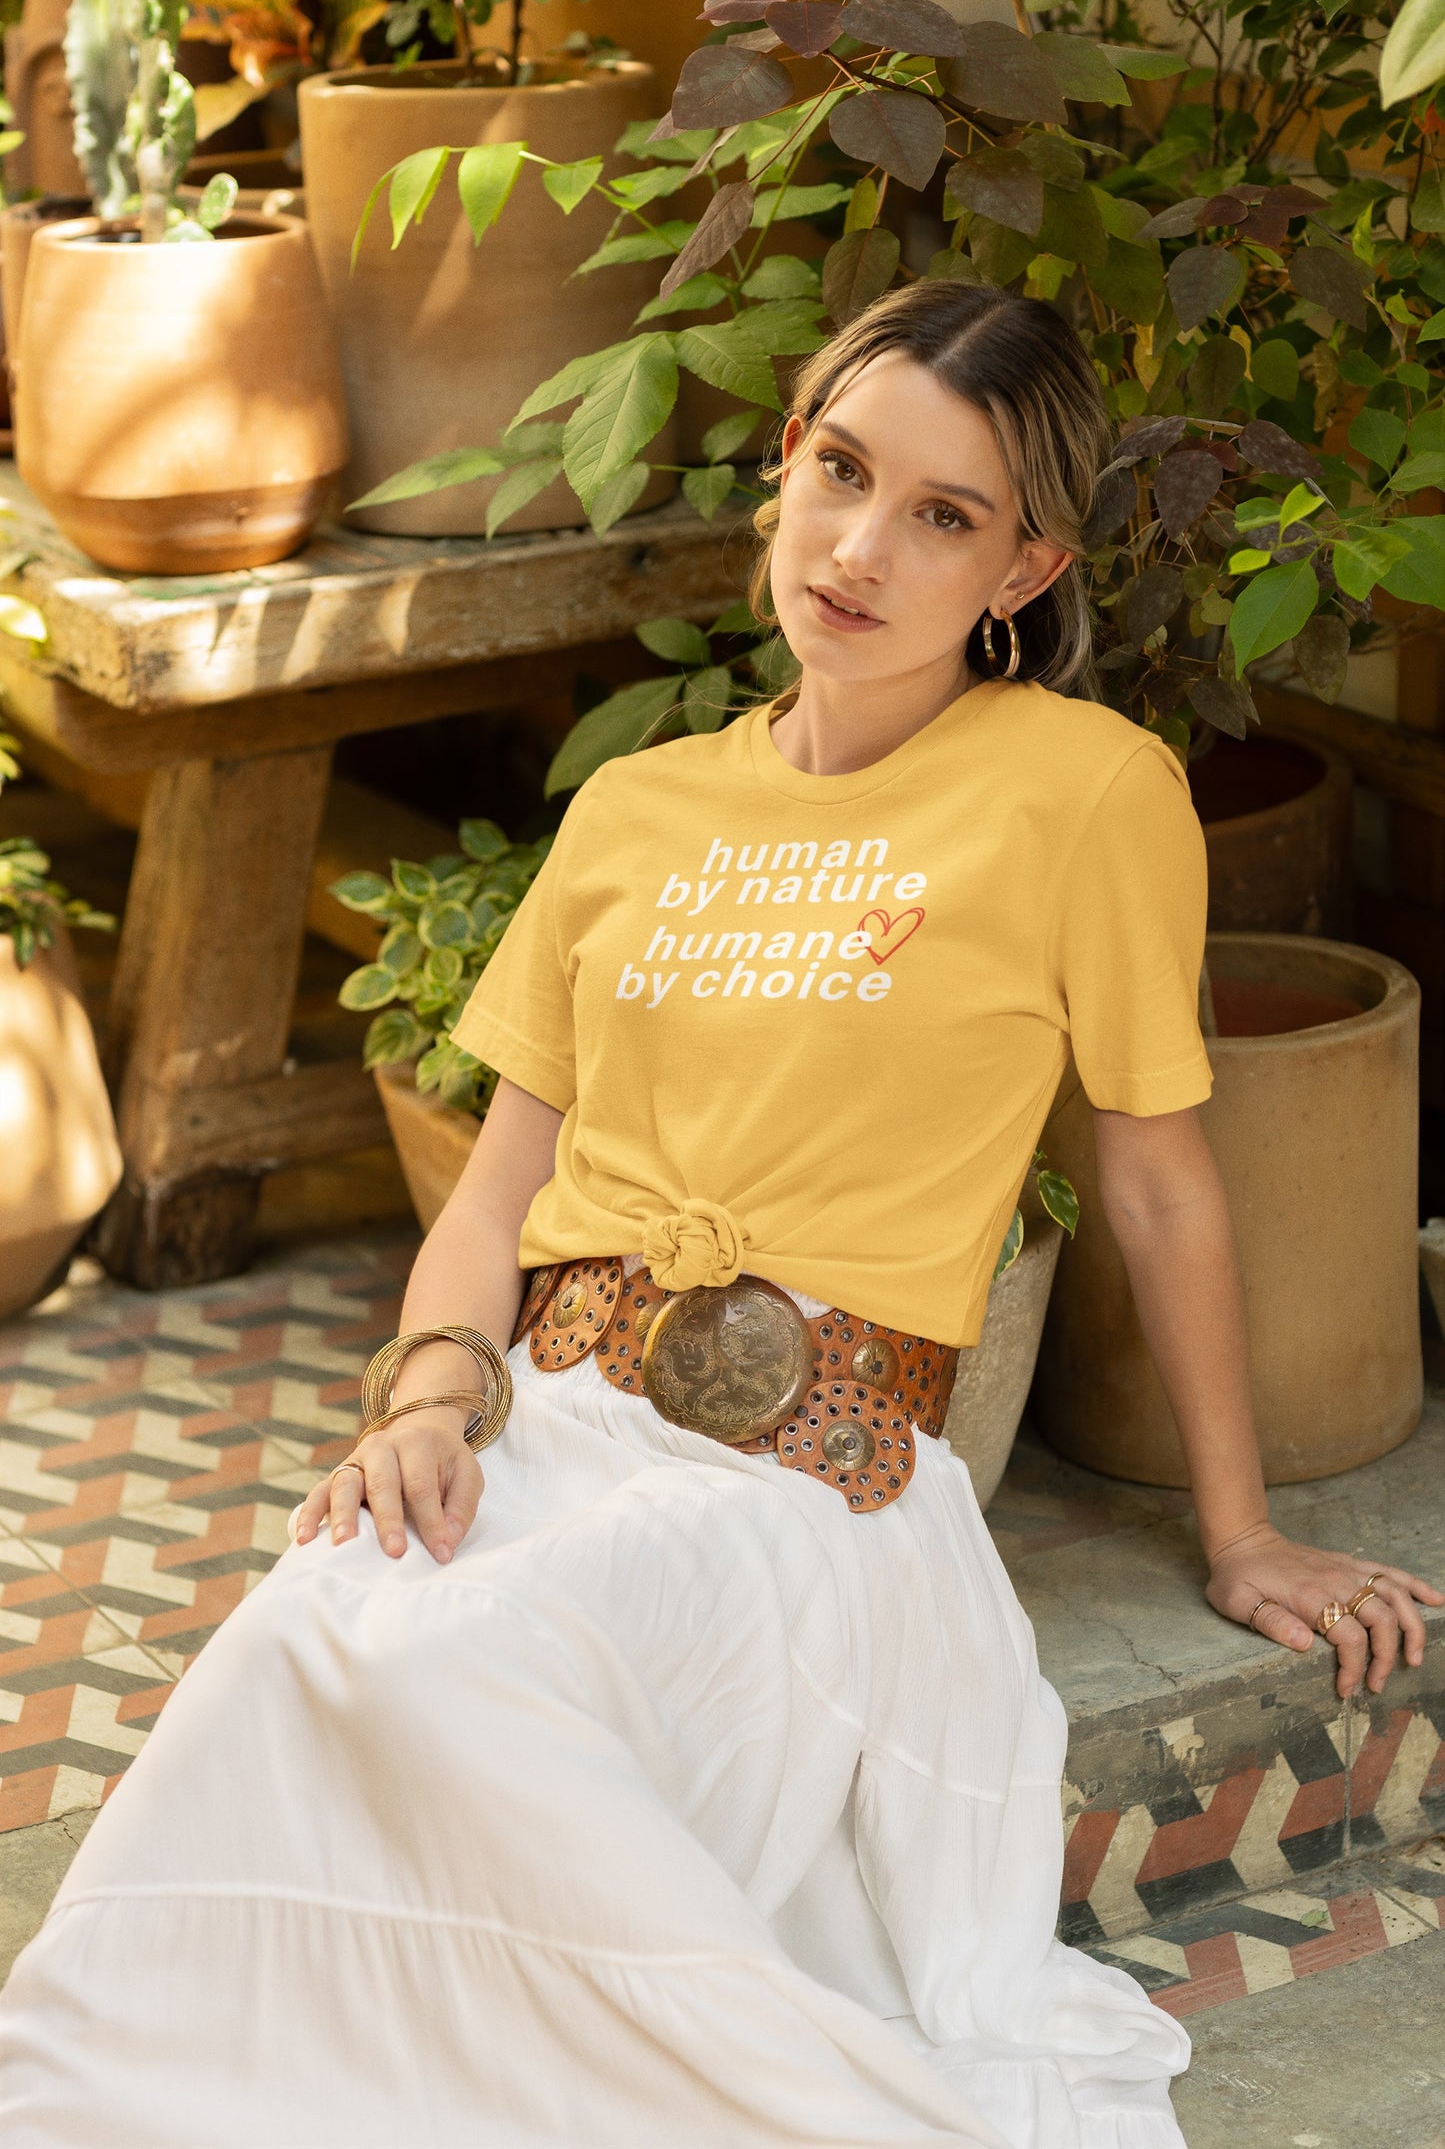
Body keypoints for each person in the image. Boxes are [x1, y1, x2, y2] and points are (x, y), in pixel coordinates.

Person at [1, 280, 1439, 2149]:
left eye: (942, 514)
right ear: (781, 469)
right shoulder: (637, 808)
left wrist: (1238, 1530)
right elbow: (506, 1174)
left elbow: (1160, 1181)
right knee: (303, 1639)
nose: (859, 548)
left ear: (1024, 567)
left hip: (807, 1493)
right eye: (840, 472)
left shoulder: (1085, 792)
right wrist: (427, 1401)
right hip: (550, 1417)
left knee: (455, 1667)